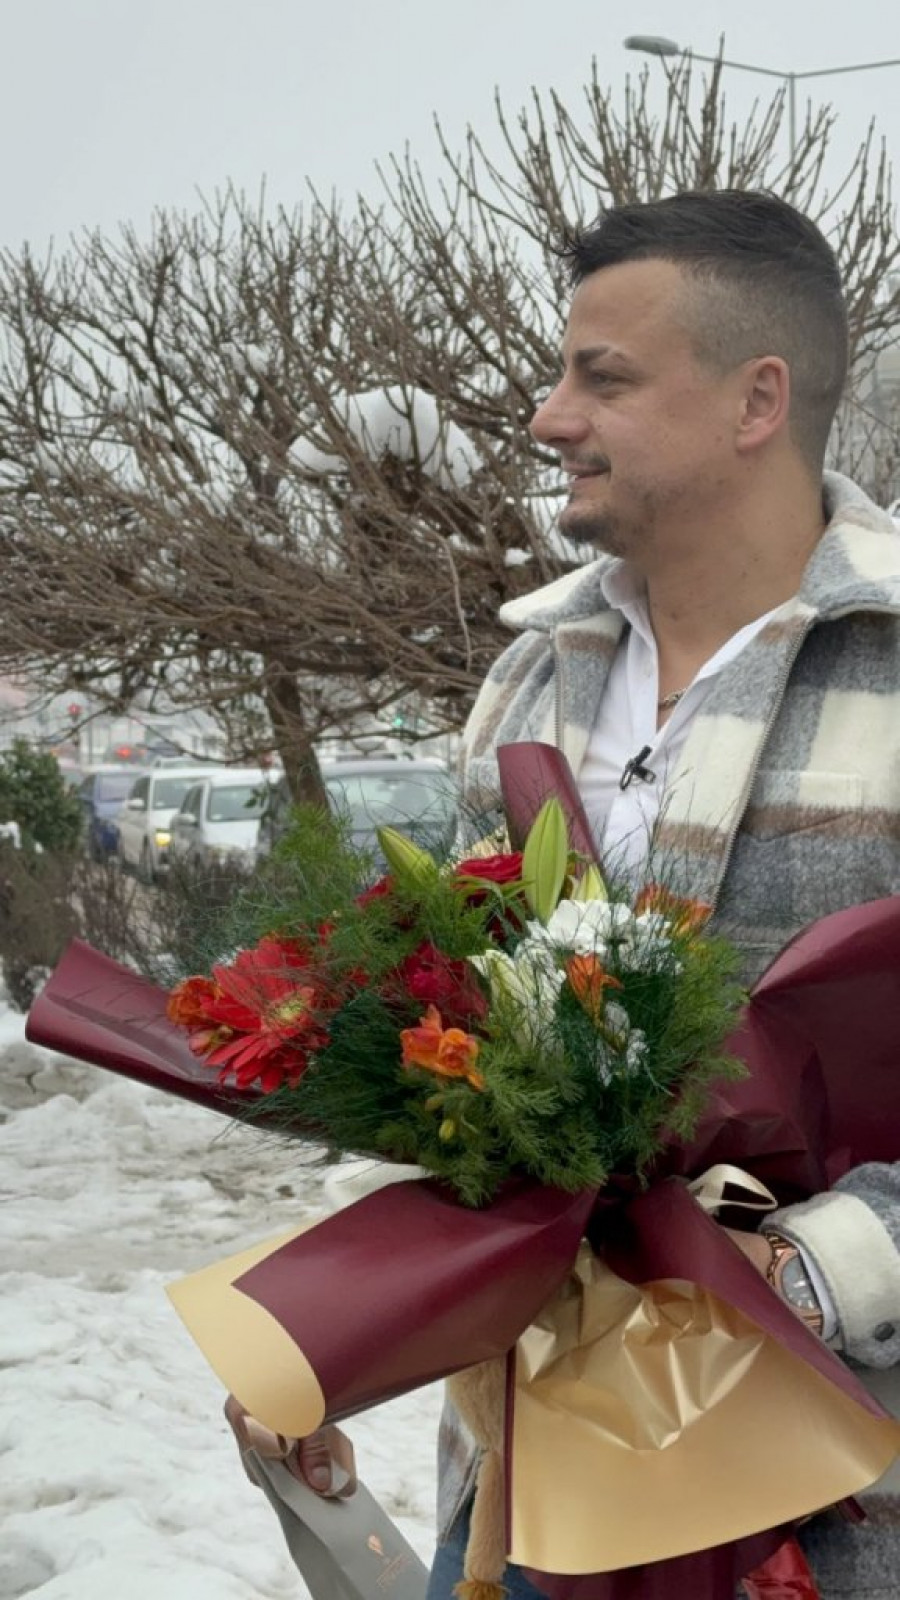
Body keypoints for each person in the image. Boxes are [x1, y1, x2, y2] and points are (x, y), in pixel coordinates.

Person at [437, 189, 900, 1599]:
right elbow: (447, 1037)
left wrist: (809, 1272)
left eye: (605, 378)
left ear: (757, 399)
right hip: (525, 1489)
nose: (548, 419)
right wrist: (350, 1333)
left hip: (838, 1508)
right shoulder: (530, 675)